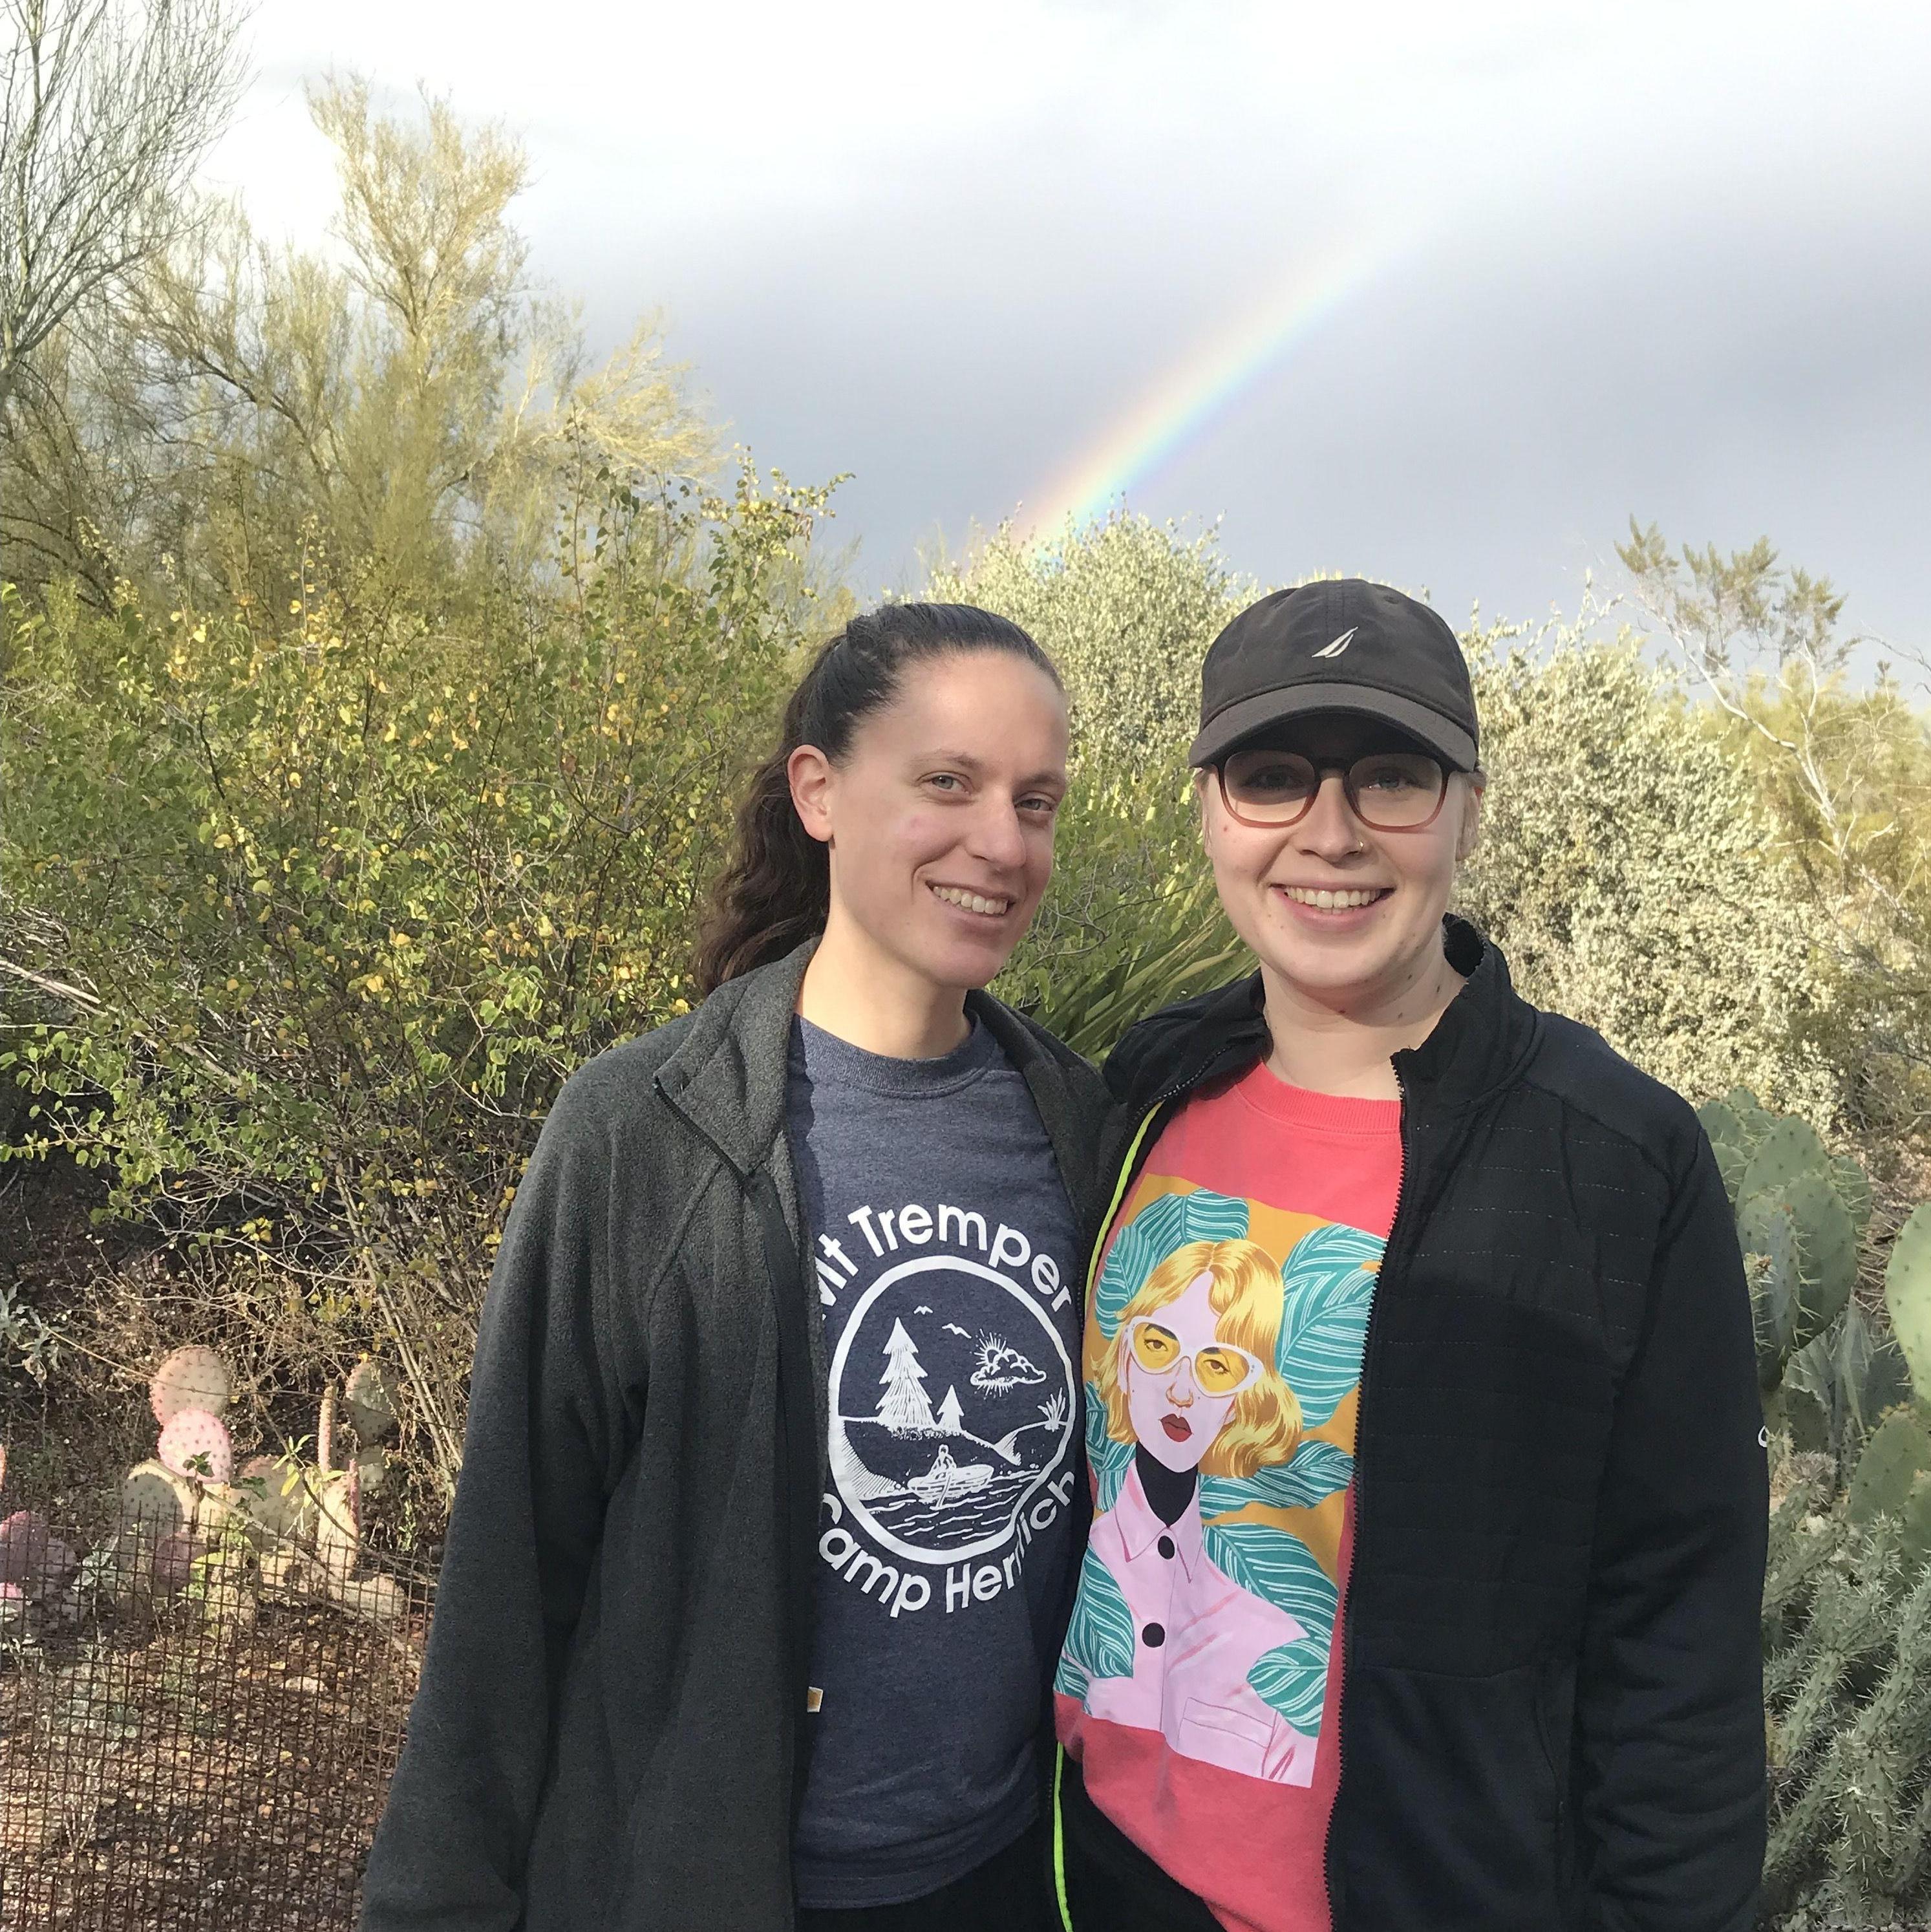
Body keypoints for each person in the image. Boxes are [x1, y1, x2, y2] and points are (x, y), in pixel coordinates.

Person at [361, 602, 1109, 1932]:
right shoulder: (640, 1132)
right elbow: (510, 1574)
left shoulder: (1086, 1131)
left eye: (1037, 802)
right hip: (709, 1882)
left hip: (1010, 1877)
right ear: (820, 791)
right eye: (949, 783)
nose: (1002, 843)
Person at [1052, 579, 1767, 1932]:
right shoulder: (1147, 1088)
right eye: (1271, 778)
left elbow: (1681, 1637)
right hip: (1100, 1881)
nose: (1328, 834)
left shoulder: (1612, 1157)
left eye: (1390, 777)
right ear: (1208, 810)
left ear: (1468, 810)